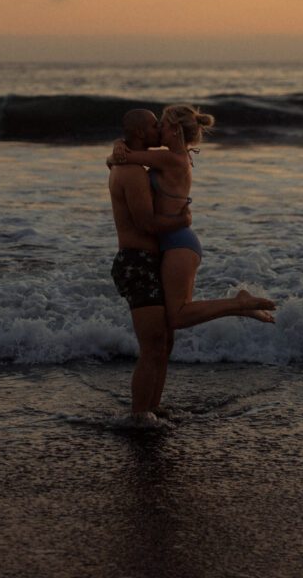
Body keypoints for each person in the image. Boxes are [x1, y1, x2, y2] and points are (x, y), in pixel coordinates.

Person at [109, 103, 276, 333]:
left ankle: (239, 304)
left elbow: (123, 158)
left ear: (175, 130)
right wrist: (118, 145)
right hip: (171, 241)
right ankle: (240, 306)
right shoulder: (174, 157)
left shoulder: (171, 159)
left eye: (163, 125)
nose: (159, 129)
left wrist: (119, 146)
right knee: (173, 316)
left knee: (177, 316)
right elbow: (121, 158)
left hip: (179, 241)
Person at [108, 108, 191, 422]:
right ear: (142, 133)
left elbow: (119, 153)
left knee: (164, 342)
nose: (161, 128)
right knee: (153, 344)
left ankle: (152, 408)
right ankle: (139, 416)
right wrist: (181, 220)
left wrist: (117, 148)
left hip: (147, 261)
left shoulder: (129, 161)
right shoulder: (131, 172)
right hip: (136, 263)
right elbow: (146, 223)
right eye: (156, 124)